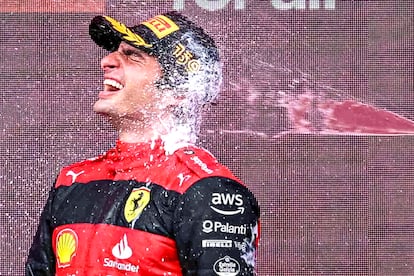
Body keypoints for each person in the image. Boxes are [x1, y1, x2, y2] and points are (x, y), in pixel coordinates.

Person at [25, 11, 260, 275]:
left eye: (133, 55)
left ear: (177, 90)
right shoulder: (72, 180)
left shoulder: (206, 190)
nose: (107, 61)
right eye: (116, 51)